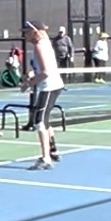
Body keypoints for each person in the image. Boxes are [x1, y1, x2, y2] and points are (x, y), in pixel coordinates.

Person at [21, 21, 64, 169]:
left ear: (34, 32)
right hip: (53, 86)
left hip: (49, 87)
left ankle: (46, 158)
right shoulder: (42, 44)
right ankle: (53, 151)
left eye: (27, 32)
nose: (24, 35)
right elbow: (42, 68)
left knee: (39, 122)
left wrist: (29, 83)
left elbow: (45, 72)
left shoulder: (40, 45)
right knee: (44, 121)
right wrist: (31, 75)